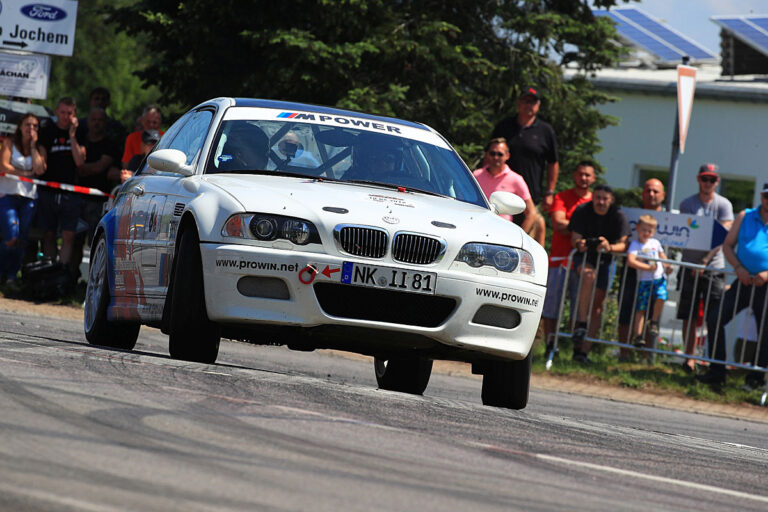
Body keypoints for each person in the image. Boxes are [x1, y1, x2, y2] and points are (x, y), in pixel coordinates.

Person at [697, 183, 768, 389]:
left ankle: (756, 377)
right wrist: (738, 268)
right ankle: (717, 371)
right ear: (761, 196)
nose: (767, 200)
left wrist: (766, 274)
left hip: (764, 285)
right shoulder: (745, 216)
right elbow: (728, 245)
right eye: (765, 196)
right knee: (715, 318)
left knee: (766, 331)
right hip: (744, 281)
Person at [677, 164, 733, 372]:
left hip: (714, 267)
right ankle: (689, 359)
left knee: (714, 315)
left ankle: (713, 361)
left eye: (712, 179)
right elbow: (685, 233)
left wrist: (705, 261)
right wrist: (695, 263)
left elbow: (723, 236)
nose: (708, 183)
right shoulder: (687, 203)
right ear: (698, 179)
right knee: (689, 314)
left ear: (717, 181)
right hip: (690, 264)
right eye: (704, 179)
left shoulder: (724, 204)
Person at [568, 184, 630, 363]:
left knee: (597, 308)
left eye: (605, 198)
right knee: (588, 276)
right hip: (585, 257)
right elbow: (575, 238)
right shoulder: (582, 210)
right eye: (597, 197)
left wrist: (608, 247)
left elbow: (624, 245)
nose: (600, 202)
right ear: (592, 197)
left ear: (611, 200)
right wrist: (580, 244)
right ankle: (581, 325)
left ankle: (583, 352)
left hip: (606, 261)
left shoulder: (618, 215)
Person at [491, 85, 559, 244]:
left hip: (530, 196)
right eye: (525, 101)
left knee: (526, 242)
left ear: (538, 105)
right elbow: (491, 153)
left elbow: (553, 162)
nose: (529, 105)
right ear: (518, 103)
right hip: (501, 193)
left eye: (533, 102)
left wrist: (550, 192)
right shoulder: (504, 126)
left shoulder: (545, 131)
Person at [541, 161, 595, 354]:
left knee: (579, 309)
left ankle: (576, 350)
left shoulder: (595, 201)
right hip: (559, 260)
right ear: (574, 175)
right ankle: (550, 345)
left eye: (588, 175)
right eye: (581, 174)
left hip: (584, 263)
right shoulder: (562, 197)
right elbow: (557, 224)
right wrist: (583, 229)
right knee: (552, 307)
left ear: (593, 178)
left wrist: (572, 227)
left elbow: (567, 224)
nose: (584, 178)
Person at [71, 108, 123, 280]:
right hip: (77, 199)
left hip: (98, 202)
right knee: (74, 242)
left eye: (100, 120)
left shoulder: (110, 145)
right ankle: (70, 278)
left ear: (105, 123)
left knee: (95, 244)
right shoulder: (81, 141)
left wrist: (83, 168)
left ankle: (92, 282)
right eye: (93, 119)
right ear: (88, 121)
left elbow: (99, 167)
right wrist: (85, 168)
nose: (96, 123)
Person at [617, 178, 666, 360]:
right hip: (635, 274)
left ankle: (647, 357)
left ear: (663, 195)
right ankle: (625, 353)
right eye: (648, 190)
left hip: (655, 277)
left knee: (653, 313)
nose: (651, 194)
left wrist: (665, 265)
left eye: (655, 191)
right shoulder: (629, 213)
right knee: (629, 310)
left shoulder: (665, 222)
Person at [37, 97, 86, 272]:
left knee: (68, 235)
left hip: (71, 191)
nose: (65, 117)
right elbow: (41, 162)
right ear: (57, 112)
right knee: (48, 234)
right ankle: (47, 271)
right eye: (63, 112)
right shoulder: (48, 131)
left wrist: (72, 135)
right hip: (48, 189)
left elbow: (80, 161)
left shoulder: (80, 132)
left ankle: (62, 272)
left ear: (75, 115)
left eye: (69, 113)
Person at [0, 113, 46, 283]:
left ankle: (12, 275)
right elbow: (3, 165)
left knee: (21, 239)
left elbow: (40, 169)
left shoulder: (40, 148)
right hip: (8, 195)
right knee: (11, 236)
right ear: (20, 126)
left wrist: (33, 146)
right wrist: (25, 173)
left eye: (35, 126)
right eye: (27, 125)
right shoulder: (10, 143)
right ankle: (2, 271)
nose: (30, 129)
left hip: (28, 198)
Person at [626, 215, 672, 348]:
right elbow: (631, 261)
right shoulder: (635, 244)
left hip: (658, 278)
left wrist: (667, 266)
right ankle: (638, 335)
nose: (646, 233)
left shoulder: (655, 243)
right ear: (637, 229)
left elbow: (662, 256)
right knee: (641, 308)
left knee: (661, 297)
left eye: (649, 231)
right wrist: (648, 268)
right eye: (643, 230)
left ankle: (654, 321)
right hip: (644, 280)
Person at [473, 138, 537, 234]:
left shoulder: (516, 179)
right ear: (487, 154)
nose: (496, 157)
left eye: (500, 154)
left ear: (507, 156)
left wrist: (520, 236)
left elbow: (531, 213)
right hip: (476, 228)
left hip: (502, 233)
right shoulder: (476, 175)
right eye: (492, 153)